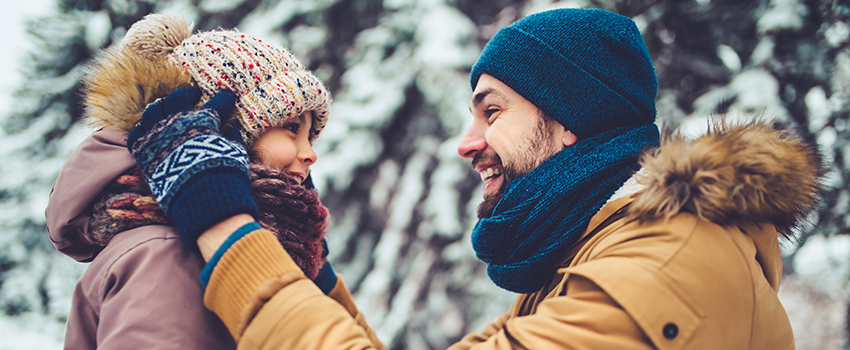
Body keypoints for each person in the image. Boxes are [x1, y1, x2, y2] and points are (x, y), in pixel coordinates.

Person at [130, 8, 823, 349]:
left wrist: (224, 225)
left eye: (492, 111)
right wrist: (310, 275)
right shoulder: (601, 261)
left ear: (572, 116)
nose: (467, 143)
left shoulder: (666, 265)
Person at [44, 14, 380, 349]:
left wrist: (309, 262)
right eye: (291, 128)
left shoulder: (216, 250)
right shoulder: (165, 253)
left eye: (311, 137)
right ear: (218, 134)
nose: (311, 155)